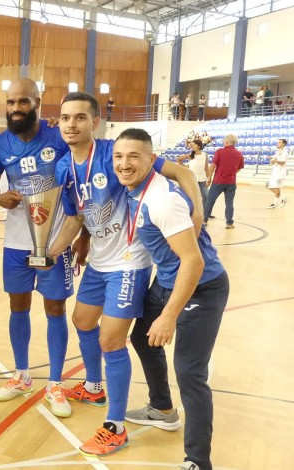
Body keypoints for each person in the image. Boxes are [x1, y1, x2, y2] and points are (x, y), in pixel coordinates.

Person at [47, 91, 202, 457]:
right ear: (59, 122)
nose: (72, 124)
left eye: (80, 117)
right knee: (82, 321)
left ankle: (115, 427)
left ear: (94, 122)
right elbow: (76, 216)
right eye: (65, 118)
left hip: (130, 264)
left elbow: (180, 171)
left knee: (111, 341)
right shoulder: (64, 168)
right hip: (99, 262)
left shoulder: (116, 152)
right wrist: (53, 250)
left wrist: (196, 211)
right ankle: (94, 386)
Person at [113, 128, 229, 470]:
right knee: (141, 338)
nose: (124, 163)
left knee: (190, 373)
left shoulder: (161, 200)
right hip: (167, 281)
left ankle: (198, 461)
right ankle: (162, 409)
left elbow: (194, 263)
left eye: (134, 156)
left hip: (202, 287)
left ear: (152, 160)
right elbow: (182, 171)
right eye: (119, 156)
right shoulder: (137, 187)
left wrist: (168, 316)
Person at [0, 78, 77, 418]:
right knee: (18, 306)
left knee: (55, 310)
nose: (16, 108)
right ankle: (22, 374)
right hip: (17, 243)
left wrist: (83, 236)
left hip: (56, 244)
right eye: (10, 102)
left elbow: (79, 176)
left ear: (38, 101)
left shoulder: (58, 136)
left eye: (23, 101)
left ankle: (54, 383)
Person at [204, 134, 244, 229]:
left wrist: (209, 177)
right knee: (229, 202)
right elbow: (239, 168)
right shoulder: (239, 154)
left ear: (226, 142)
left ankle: (204, 220)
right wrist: (231, 173)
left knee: (210, 200)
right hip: (231, 182)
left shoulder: (220, 151)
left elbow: (213, 165)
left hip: (218, 180)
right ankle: (229, 223)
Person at [177, 140, 209, 210]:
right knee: (193, 197)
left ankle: (205, 212)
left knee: (206, 196)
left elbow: (206, 168)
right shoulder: (190, 155)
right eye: (192, 145)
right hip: (192, 179)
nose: (192, 146)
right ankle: (192, 211)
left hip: (202, 179)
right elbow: (178, 160)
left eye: (194, 145)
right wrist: (185, 168)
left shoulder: (205, 155)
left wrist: (208, 178)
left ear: (199, 146)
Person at [266, 138, 289, 209]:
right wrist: (271, 159)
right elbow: (274, 160)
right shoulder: (277, 151)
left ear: (283, 144)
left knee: (277, 188)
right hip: (275, 172)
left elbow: (282, 163)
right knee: (270, 186)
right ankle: (284, 197)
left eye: (279, 143)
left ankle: (274, 203)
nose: (277, 144)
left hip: (280, 173)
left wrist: (275, 161)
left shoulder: (285, 152)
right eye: (278, 142)